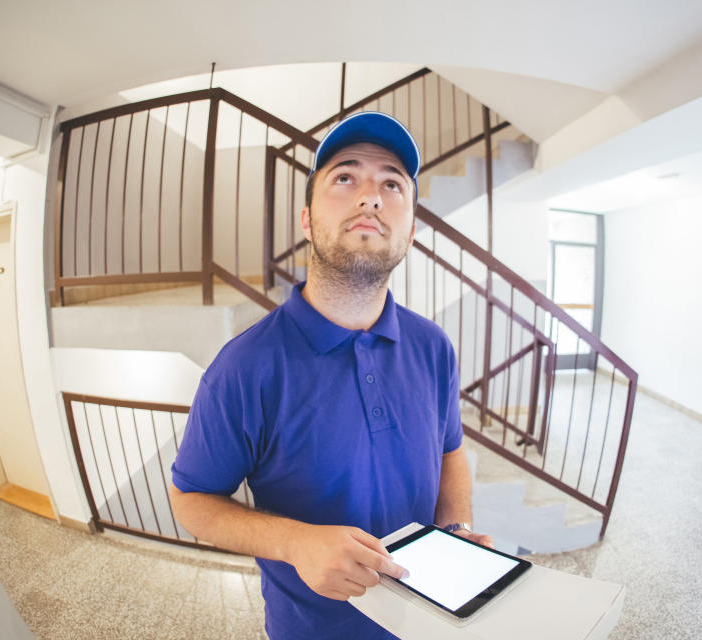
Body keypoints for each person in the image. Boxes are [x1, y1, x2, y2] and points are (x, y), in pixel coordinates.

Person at [169, 111, 491, 640]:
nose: (370, 197)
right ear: (306, 219)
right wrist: (296, 542)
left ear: (409, 231)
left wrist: (454, 530)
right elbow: (192, 500)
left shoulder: (434, 347)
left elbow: (450, 450)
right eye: (345, 177)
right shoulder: (244, 367)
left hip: (427, 620)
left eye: (392, 183)